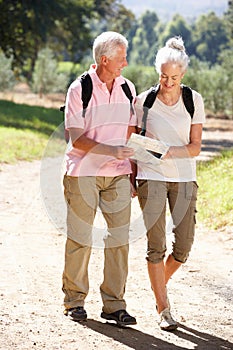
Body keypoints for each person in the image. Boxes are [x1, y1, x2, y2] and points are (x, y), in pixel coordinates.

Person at [62, 31, 137, 327]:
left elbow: (131, 133)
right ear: (104, 59)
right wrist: (111, 150)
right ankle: (75, 301)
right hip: (84, 172)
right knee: (81, 238)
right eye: (121, 58)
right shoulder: (80, 88)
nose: (126, 63)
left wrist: (131, 169)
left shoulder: (127, 88)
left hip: (117, 174)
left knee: (119, 240)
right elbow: (77, 139)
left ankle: (114, 305)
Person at [134, 36, 205, 331]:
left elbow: (196, 146)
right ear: (157, 71)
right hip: (150, 177)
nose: (168, 82)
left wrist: (167, 150)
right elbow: (133, 142)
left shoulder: (194, 100)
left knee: (184, 246)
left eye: (174, 77)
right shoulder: (144, 100)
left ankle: (157, 285)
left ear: (183, 74)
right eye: (163, 76)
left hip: (185, 176)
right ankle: (163, 308)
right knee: (156, 246)